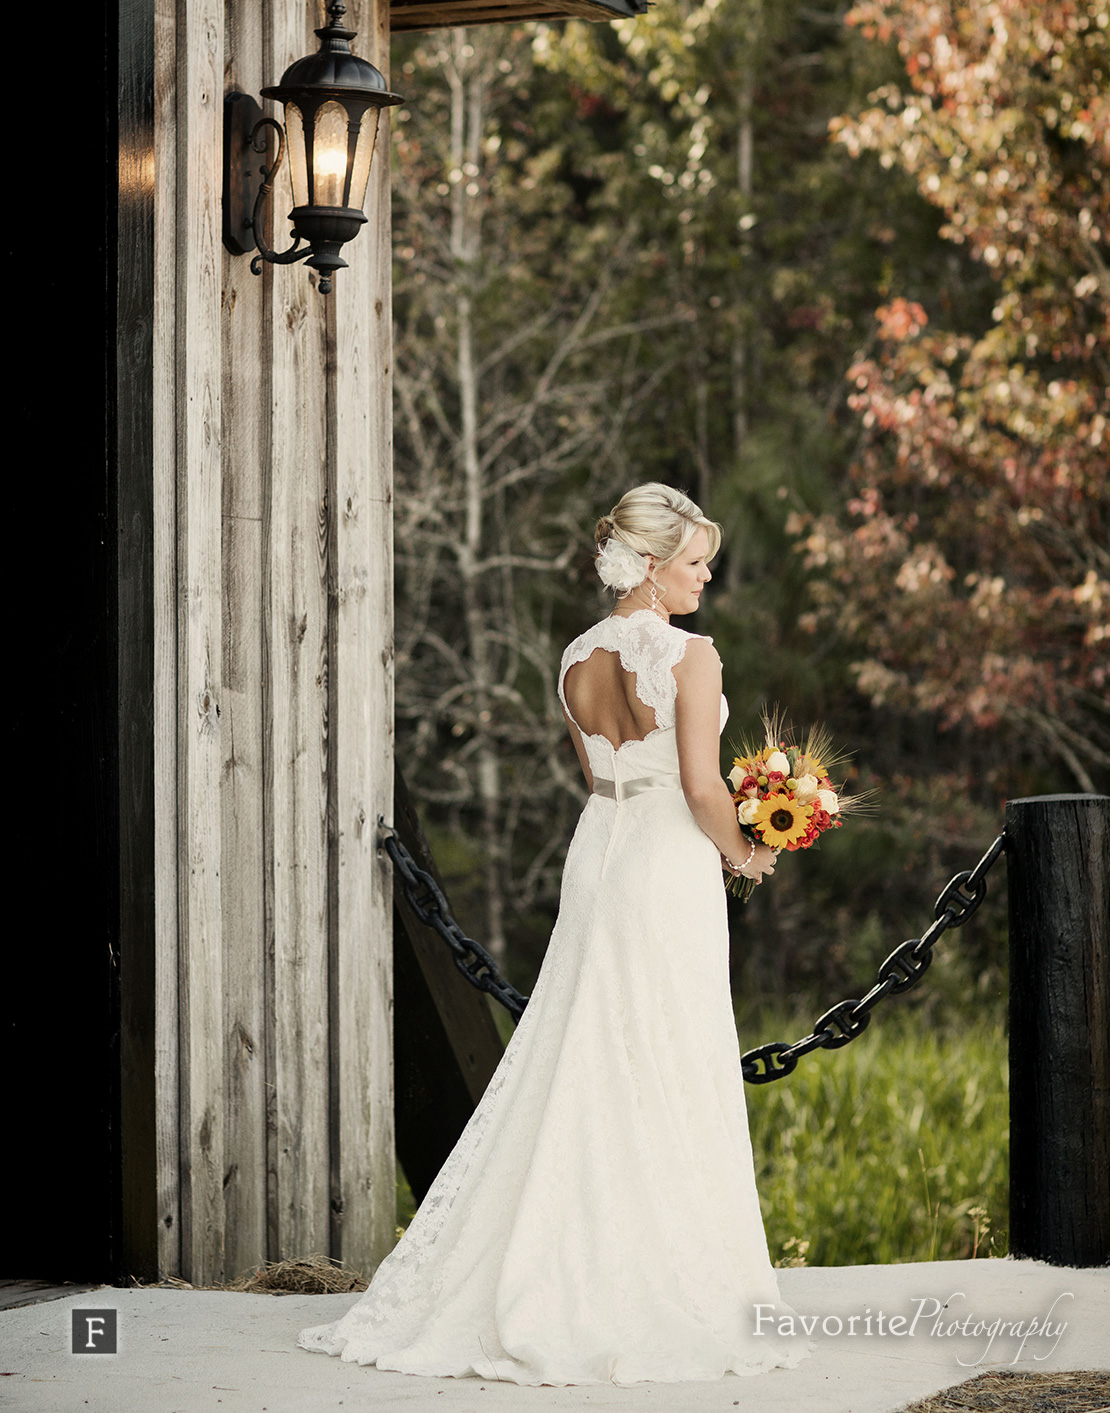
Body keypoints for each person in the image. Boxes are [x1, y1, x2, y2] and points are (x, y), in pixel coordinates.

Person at [297, 482, 814, 1385]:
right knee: (665, 1051)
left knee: (584, 1047)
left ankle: (549, 1258)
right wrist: (747, 852)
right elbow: (698, 789)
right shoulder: (692, 656)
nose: (705, 578)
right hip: (664, 862)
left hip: (600, 852)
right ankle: (646, 1278)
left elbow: (597, 772)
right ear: (651, 567)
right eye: (694, 563)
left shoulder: (577, 655)